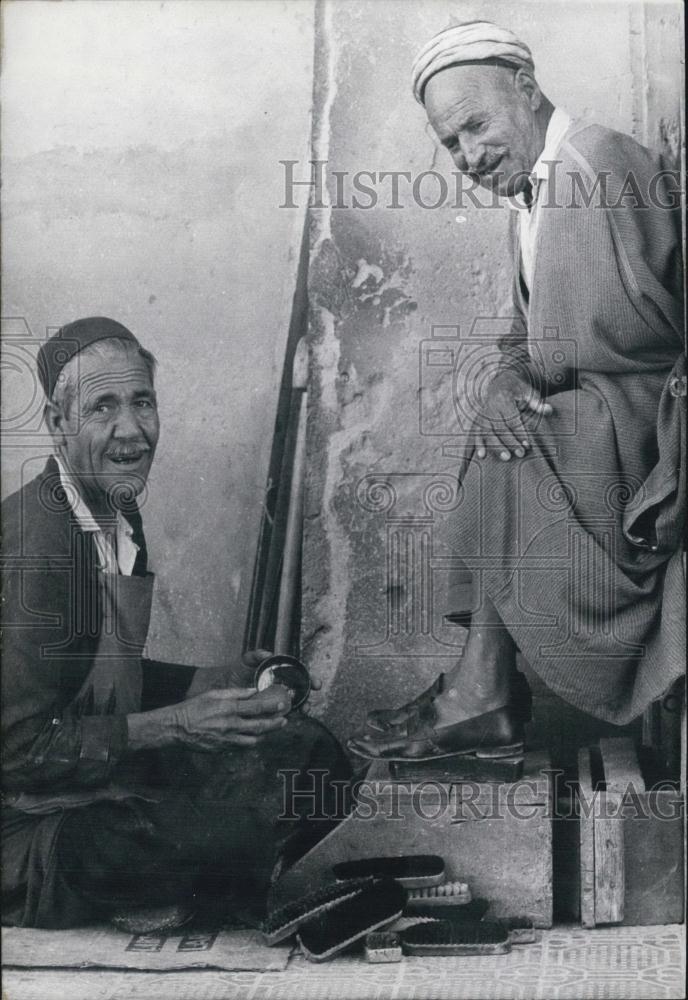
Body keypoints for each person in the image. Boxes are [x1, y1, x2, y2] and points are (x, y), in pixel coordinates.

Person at [349, 21, 685, 761]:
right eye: (452, 143)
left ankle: (482, 693)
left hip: (647, 425)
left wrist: (527, 378)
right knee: (499, 430)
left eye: (476, 125)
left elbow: (627, 339)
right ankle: (480, 686)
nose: (470, 155)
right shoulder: (538, 190)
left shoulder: (595, 165)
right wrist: (506, 380)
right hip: (604, 411)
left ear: (526, 90)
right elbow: (532, 338)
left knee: (510, 446)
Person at [2, 317, 350, 929]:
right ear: (59, 425)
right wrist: (179, 725)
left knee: (310, 757)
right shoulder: (42, 546)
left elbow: (90, 671)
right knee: (211, 834)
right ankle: (173, 890)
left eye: (143, 402)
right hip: (25, 828)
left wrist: (207, 681)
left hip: (97, 779)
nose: (131, 431)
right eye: (102, 407)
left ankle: (182, 890)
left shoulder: (114, 508)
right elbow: (17, 749)